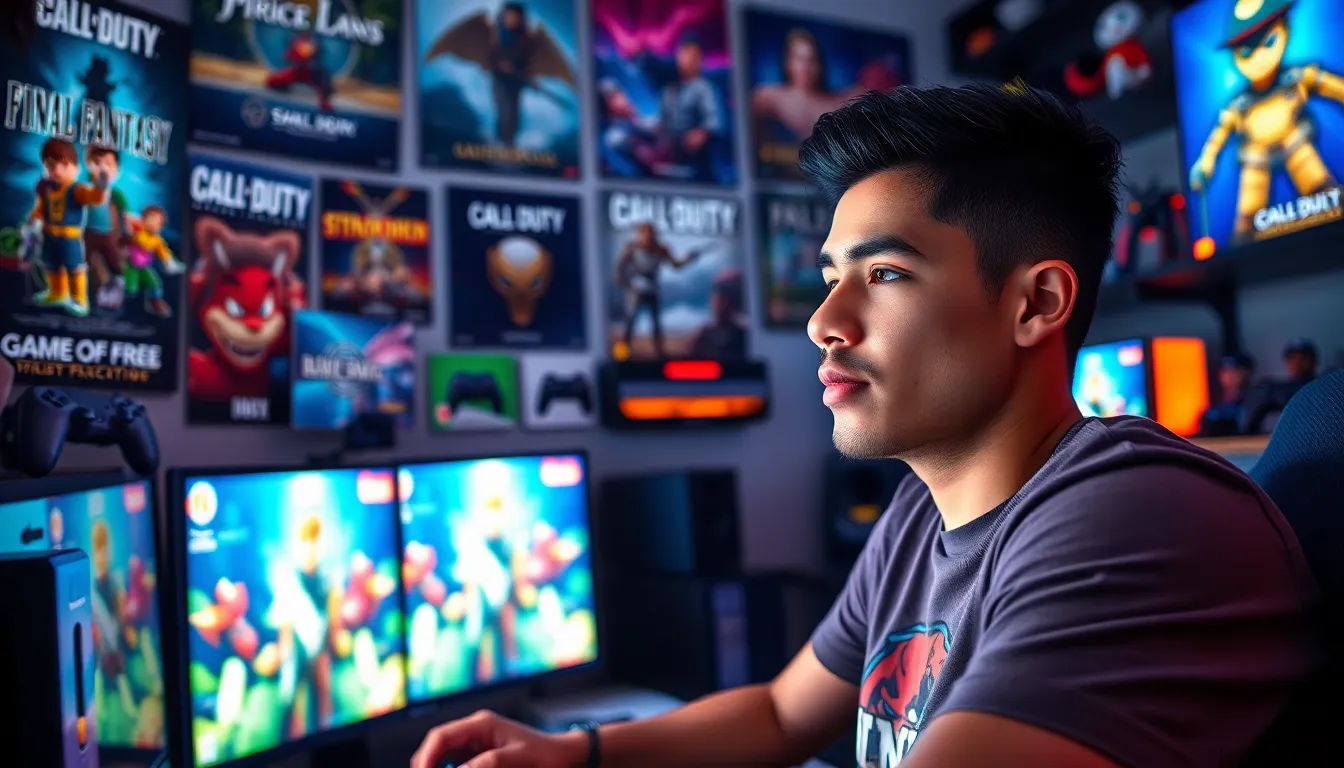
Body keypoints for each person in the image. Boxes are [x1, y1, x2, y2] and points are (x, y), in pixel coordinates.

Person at [411, 84, 1319, 768]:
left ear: (1036, 302)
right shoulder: (928, 512)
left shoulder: (1134, 516)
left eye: (883, 274)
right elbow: (779, 714)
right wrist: (575, 754)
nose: (824, 320)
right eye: (829, 274)